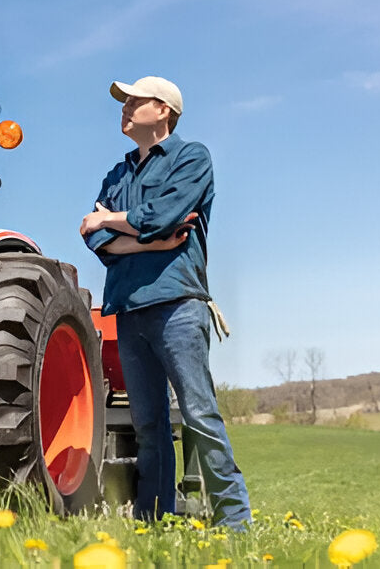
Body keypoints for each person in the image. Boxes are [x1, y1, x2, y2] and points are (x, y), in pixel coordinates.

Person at [79, 75, 251, 529]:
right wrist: (149, 243)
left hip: (178, 304)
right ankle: (153, 521)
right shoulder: (117, 173)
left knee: (198, 413)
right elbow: (93, 237)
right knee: (148, 425)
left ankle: (234, 522)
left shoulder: (191, 158)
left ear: (163, 110)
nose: (124, 108)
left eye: (133, 101)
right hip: (128, 310)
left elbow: (165, 216)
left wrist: (115, 221)